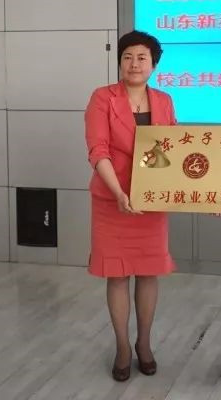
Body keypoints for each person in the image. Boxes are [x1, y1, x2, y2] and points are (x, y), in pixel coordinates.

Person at [84, 30, 176, 382]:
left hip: (152, 201)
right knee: (118, 274)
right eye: (127, 57)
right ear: (119, 61)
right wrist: (119, 193)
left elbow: (172, 150)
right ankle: (123, 347)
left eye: (142, 57)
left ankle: (144, 343)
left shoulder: (164, 101)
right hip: (113, 200)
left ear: (153, 64)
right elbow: (98, 150)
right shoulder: (102, 97)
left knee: (149, 272)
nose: (134, 63)